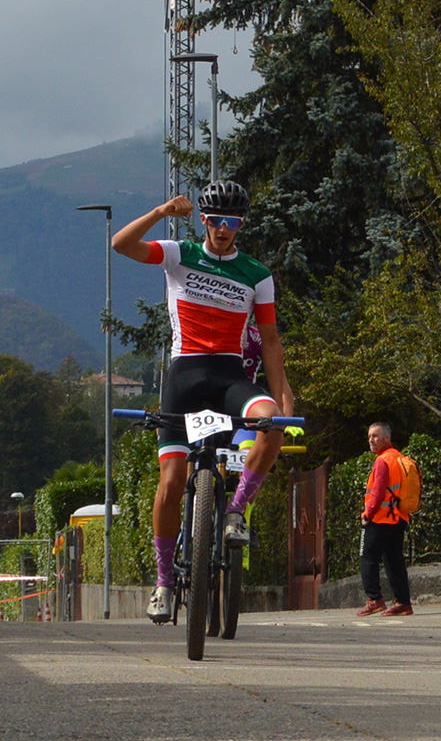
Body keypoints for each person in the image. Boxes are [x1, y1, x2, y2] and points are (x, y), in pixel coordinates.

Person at [112, 181, 295, 624]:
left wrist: (282, 395)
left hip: (229, 376)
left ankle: (235, 512)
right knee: (172, 481)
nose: (223, 229)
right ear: (203, 221)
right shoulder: (180, 255)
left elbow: (270, 342)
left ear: (242, 224)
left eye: (232, 221)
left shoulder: (257, 274)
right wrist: (161, 212)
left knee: (271, 423)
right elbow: (121, 244)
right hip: (185, 376)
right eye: (215, 220)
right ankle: (163, 582)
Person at [356, 423, 413, 617]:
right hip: (399, 517)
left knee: (367, 558)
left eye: (375, 436)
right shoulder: (399, 457)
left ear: (386, 438)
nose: (371, 440)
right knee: (394, 560)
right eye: (369, 436)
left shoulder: (382, 461)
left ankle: (375, 599)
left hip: (380, 518)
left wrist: (368, 515)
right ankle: (403, 602)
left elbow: (378, 492)